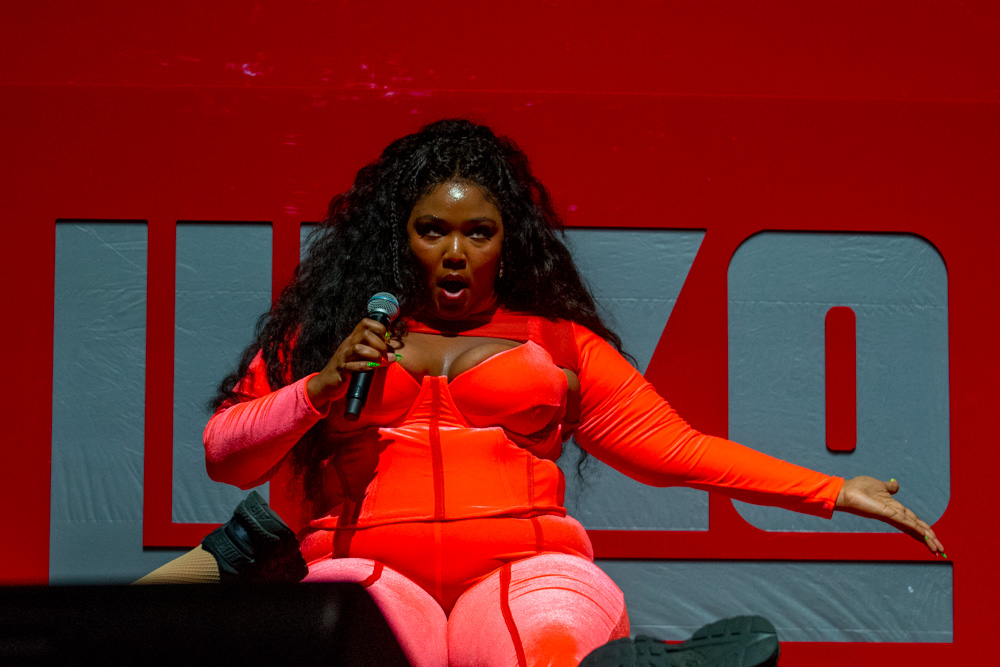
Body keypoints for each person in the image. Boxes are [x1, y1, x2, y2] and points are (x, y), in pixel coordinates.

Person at [140, 119, 945, 666]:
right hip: (368, 569)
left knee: (543, 637)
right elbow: (225, 455)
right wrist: (318, 386)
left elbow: (678, 452)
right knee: (347, 616)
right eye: (432, 230)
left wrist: (835, 488)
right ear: (399, 236)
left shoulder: (558, 344)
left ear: (505, 241)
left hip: (525, 567)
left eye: (477, 233)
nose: (454, 253)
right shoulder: (328, 343)